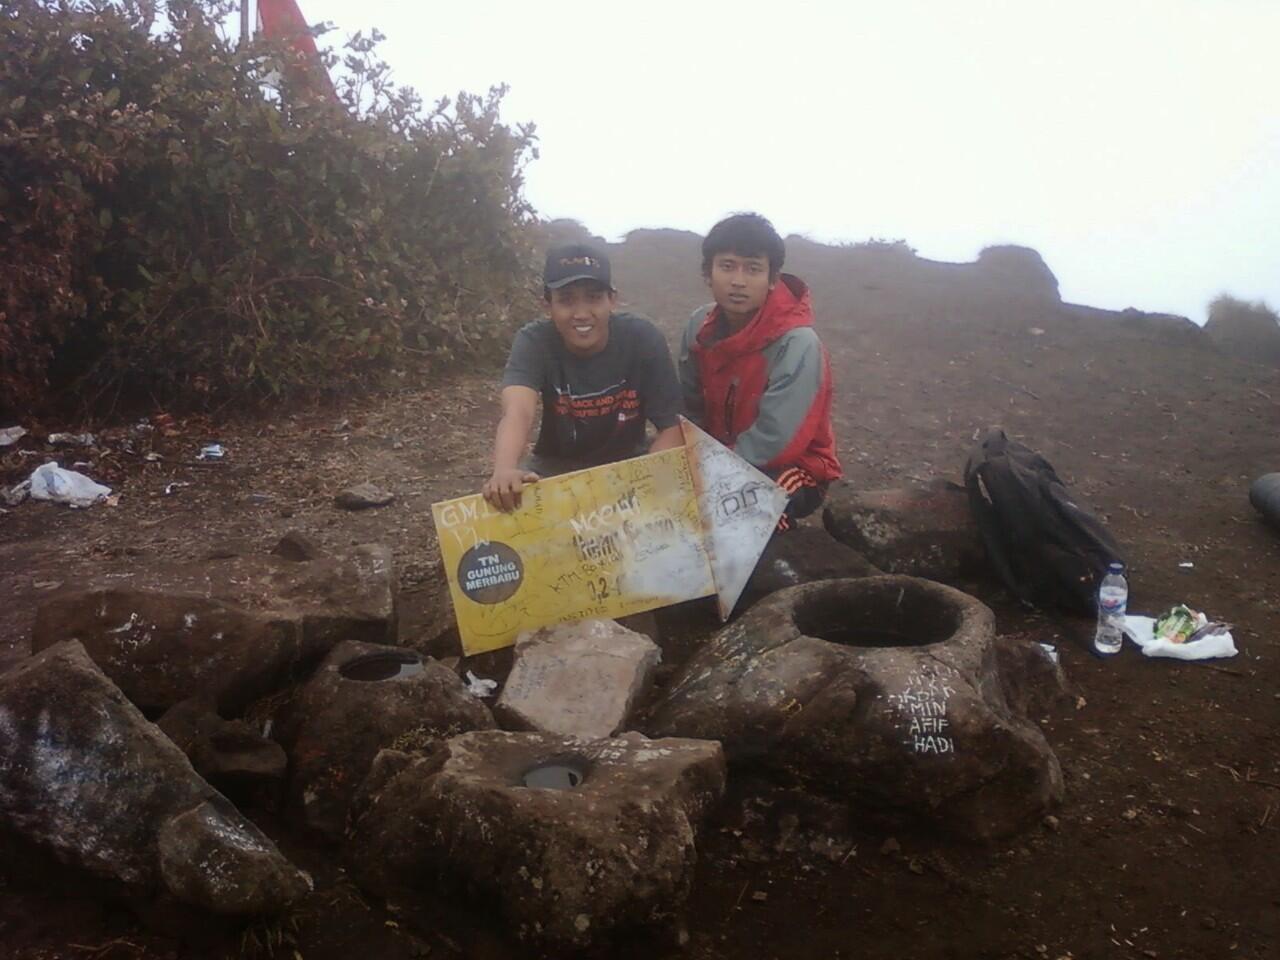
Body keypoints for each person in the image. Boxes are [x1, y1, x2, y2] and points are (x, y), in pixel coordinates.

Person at [483, 242, 684, 510]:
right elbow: (518, 411)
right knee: (505, 502)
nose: (580, 313)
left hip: (631, 463)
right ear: (547, 305)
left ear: (612, 299)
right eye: (566, 300)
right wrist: (504, 469)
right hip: (555, 467)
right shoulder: (534, 341)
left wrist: (642, 485)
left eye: (593, 297)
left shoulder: (642, 338)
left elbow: (674, 427)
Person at [679, 213, 842, 530]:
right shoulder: (700, 326)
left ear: (772, 279)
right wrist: (691, 460)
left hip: (791, 466)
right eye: (727, 266)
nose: (738, 281)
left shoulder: (797, 344)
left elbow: (774, 441)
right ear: (708, 273)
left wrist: (708, 475)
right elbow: (689, 405)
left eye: (753, 269)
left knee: (745, 512)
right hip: (719, 456)